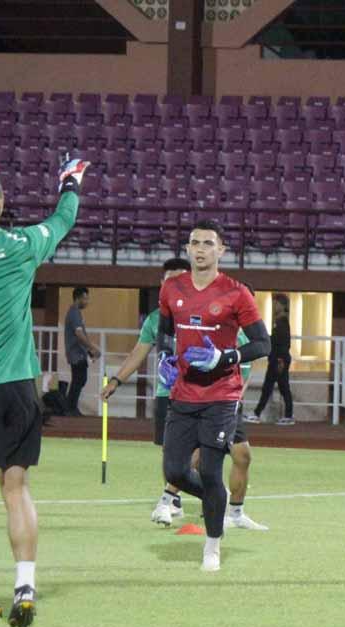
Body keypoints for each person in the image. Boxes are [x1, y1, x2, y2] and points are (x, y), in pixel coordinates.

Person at [0, 158, 89, 627]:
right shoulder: (22, 245)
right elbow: (63, 218)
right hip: (19, 388)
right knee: (16, 490)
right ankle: (26, 587)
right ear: (0, 204)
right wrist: (70, 182)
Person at [101, 260, 267, 531]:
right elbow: (140, 350)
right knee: (182, 454)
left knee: (240, 456)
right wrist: (119, 379)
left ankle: (231, 512)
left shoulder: (223, 321)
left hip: (222, 398)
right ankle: (171, 500)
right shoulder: (159, 319)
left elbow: (246, 368)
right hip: (175, 393)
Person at [155, 221, 270, 571]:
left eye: (208, 243)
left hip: (222, 394)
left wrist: (226, 357)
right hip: (183, 393)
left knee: (209, 469)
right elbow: (164, 335)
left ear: (222, 250)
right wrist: (165, 359)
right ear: (188, 249)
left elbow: (263, 344)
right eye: (194, 243)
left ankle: (212, 547)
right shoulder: (170, 289)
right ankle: (215, 500)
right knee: (174, 468)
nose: (200, 249)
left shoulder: (236, 293)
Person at [245, 293, 294, 426]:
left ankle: (259, 414)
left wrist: (280, 360)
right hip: (277, 359)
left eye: (276, 303)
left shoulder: (281, 322)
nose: (274, 305)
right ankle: (258, 413)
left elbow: (283, 343)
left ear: (282, 305)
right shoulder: (280, 321)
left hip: (278, 360)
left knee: (279, 387)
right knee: (273, 387)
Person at [62, 286, 101, 416]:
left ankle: (70, 408)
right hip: (76, 354)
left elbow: (80, 335)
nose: (87, 301)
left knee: (79, 380)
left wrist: (89, 351)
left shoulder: (75, 313)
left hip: (79, 353)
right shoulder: (74, 313)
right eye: (85, 298)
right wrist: (92, 348)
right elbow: (79, 334)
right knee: (79, 379)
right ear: (78, 298)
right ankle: (70, 408)